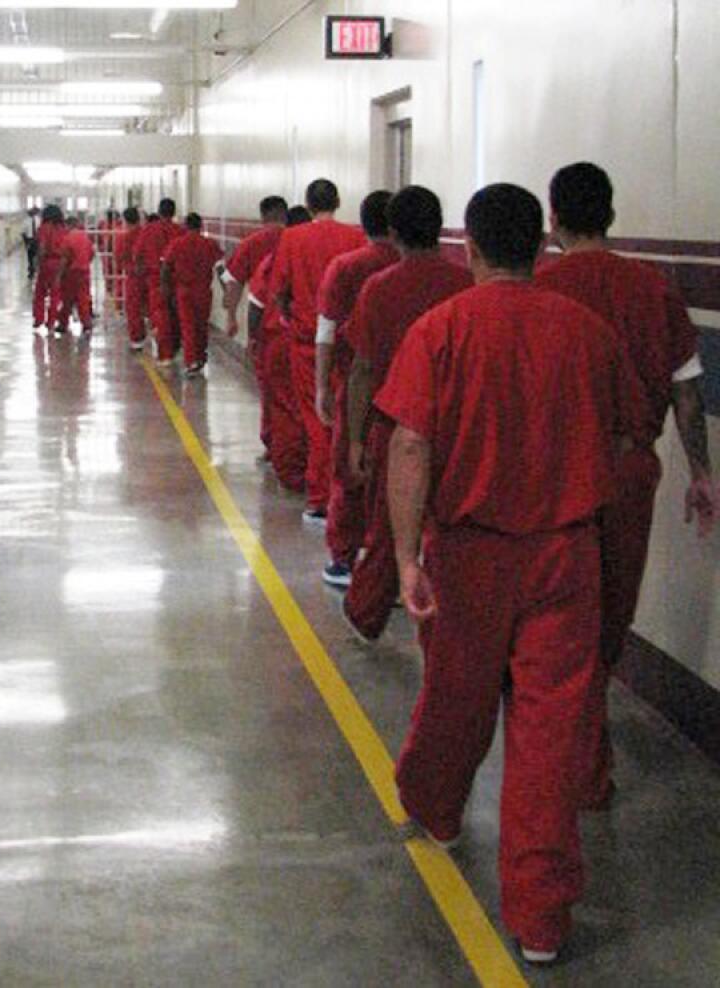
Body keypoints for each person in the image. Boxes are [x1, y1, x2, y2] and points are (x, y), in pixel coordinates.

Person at [380, 183, 635, 964]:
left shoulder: (443, 328)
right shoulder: (588, 331)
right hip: (566, 554)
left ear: (474, 249)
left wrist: (405, 557)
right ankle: (541, 918)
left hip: (473, 551)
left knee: (457, 694)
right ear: (542, 243)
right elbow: (626, 434)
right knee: (552, 735)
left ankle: (439, 810)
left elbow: (413, 444)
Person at [534, 162, 716, 806]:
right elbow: (687, 391)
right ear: (610, 214)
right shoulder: (651, 288)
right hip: (629, 472)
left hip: (553, 475)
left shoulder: (539, 287)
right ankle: (586, 755)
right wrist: (702, 475)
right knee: (611, 612)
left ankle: (573, 761)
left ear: (554, 218)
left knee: (558, 620)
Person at [341, 187, 473, 641]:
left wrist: (356, 439)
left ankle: (366, 613)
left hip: (393, 427)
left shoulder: (379, 289)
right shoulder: (467, 285)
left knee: (387, 529)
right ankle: (447, 614)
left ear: (393, 233)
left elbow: (362, 369)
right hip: (457, 435)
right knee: (451, 534)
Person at [313, 190, 398, 586]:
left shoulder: (347, 267)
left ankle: (345, 558)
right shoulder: (414, 268)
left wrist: (321, 387)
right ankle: (396, 556)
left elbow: (327, 331)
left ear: (364, 224)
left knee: (350, 467)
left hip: (359, 382)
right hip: (412, 390)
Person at [268, 179, 365, 525]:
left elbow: (279, 287)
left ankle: (321, 497)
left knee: (315, 418)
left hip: (307, 341)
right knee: (349, 417)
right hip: (347, 343)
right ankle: (348, 493)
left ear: (308, 205)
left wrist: (286, 315)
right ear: (338, 201)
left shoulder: (292, 238)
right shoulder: (354, 237)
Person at [248, 205, 312, 491]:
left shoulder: (277, 257)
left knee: (283, 405)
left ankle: (290, 470)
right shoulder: (339, 252)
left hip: (279, 338)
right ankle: (315, 469)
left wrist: (252, 338)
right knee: (314, 407)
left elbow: (258, 301)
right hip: (320, 342)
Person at [161, 213, 225, 376]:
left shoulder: (177, 244)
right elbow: (220, 269)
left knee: (187, 325)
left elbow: (166, 268)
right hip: (203, 291)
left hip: (184, 291)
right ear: (201, 226)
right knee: (201, 325)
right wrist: (227, 291)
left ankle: (191, 362)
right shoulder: (210, 244)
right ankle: (201, 357)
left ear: (185, 226)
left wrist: (166, 288)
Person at [220, 196, 289, 337]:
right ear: (285, 214)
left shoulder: (250, 243)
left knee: (260, 354)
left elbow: (234, 283)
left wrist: (231, 318)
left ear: (263, 216)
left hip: (261, 314)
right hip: (292, 317)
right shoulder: (296, 239)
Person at [133, 198, 185, 366]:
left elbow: (138, 254)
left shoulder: (148, 230)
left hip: (155, 278)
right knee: (177, 315)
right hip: (177, 278)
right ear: (173, 212)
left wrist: (140, 270)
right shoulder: (180, 231)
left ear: (159, 211)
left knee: (161, 315)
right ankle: (177, 348)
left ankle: (165, 354)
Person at [55, 215, 95, 336]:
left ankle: (63, 324)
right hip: (84, 272)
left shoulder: (67, 238)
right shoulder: (85, 237)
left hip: (71, 273)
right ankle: (86, 324)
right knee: (83, 298)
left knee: (67, 300)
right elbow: (92, 253)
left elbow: (64, 259)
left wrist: (58, 275)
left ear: (68, 225)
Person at [116, 207, 146, 350]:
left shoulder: (124, 238)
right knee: (155, 308)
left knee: (133, 308)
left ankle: (137, 340)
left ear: (125, 220)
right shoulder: (147, 234)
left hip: (134, 277)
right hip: (151, 275)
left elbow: (118, 257)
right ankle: (163, 340)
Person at [32, 205, 66, 331]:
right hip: (61, 262)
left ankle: (38, 319)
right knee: (55, 294)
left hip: (47, 262)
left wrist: (38, 263)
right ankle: (51, 322)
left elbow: (42, 247)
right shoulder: (63, 229)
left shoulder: (44, 228)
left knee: (40, 292)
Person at [22, 206, 40, 280]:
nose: (33, 213)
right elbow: (23, 232)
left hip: (37, 240)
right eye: (32, 212)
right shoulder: (25, 221)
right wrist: (26, 243)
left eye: (34, 212)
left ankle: (36, 270)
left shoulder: (38, 220)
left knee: (37, 256)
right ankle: (31, 271)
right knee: (30, 257)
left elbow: (40, 230)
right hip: (29, 240)